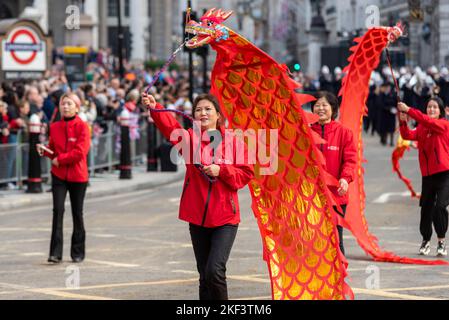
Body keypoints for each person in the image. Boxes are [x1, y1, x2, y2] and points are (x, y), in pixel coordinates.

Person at [141, 92, 254, 300]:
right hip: (197, 216)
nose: (203, 113)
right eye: (199, 109)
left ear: (218, 115)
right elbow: (170, 127)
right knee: (204, 276)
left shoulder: (233, 141)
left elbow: (246, 174)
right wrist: (154, 106)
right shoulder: (190, 139)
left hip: (225, 218)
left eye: (208, 109)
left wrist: (222, 171)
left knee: (214, 271)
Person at [37, 93, 91, 263]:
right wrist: (44, 150)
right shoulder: (54, 127)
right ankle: (55, 253)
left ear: (77, 107)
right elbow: (53, 149)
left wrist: (59, 159)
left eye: (69, 104)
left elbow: (80, 152)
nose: (65, 107)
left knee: (77, 213)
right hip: (59, 175)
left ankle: (77, 252)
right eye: (63, 104)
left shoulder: (83, 127)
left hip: (77, 175)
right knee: (57, 211)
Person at [398, 98, 448, 257]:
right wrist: (403, 121)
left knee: (440, 207)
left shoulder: (443, 125)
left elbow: (427, 121)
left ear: (440, 111)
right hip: (427, 176)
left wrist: (409, 110)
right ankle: (426, 240)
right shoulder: (422, 128)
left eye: (435, 107)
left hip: (444, 174)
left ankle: (441, 241)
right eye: (429, 107)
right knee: (426, 209)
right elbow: (407, 135)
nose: (431, 109)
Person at [310, 91, 357, 256]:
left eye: (324, 105)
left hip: (337, 196)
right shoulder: (306, 133)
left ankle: (339, 278)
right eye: (317, 105)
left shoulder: (344, 133)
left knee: (336, 239)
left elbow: (350, 161)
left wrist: (345, 179)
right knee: (313, 238)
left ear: (333, 109)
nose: (320, 108)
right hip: (311, 196)